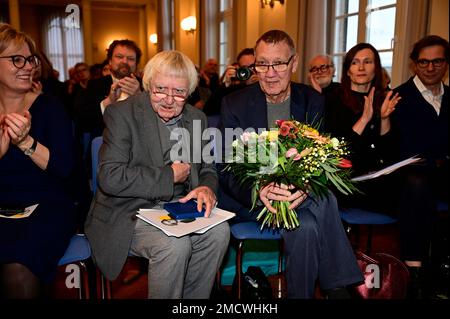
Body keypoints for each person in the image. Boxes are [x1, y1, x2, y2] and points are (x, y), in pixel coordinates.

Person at [218, 29, 363, 299]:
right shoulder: (234, 104)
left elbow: (320, 155)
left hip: (301, 198)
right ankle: (338, 288)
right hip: (257, 201)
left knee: (307, 225)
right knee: (325, 201)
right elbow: (226, 167)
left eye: (279, 63)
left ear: (294, 63)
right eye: (262, 63)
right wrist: (260, 189)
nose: (270, 72)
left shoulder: (312, 100)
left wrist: (306, 186)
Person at [84, 50, 230, 299]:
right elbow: (110, 177)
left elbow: (207, 168)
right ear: (148, 84)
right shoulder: (122, 114)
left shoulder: (197, 117)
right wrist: (168, 176)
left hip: (179, 206)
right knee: (173, 244)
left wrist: (206, 187)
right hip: (129, 210)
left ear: (190, 91)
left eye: (179, 92)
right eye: (161, 89)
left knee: (219, 232)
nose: (169, 100)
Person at [0, 23, 77, 298]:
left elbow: (65, 170)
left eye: (29, 59)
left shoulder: (50, 107)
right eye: (16, 59)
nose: (27, 66)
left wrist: (25, 143)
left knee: (18, 266)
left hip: (45, 206)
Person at [391, 35, 449, 298]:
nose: (430, 67)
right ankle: (414, 272)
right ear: (414, 64)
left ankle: (442, 268)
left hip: (444, 172)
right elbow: (400, 148)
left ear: (445, 64)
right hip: (409, 175)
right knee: (417, 185)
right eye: (423, 62)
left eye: (437, 61)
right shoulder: (399, 98)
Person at [75, 39, 143, 138]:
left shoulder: (146, 85)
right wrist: (109, 101)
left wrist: (139, 97)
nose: (125, 61)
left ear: (136, 64)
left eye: (131, 58)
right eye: (119, 57)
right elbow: (83, 121)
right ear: (110, 61)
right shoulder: (94, 85)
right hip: (103, 143)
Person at [203, 48, 258, 116]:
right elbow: (208, 110)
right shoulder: (236, 89)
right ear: (240, 70)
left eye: (252, 66)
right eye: (245, 68)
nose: (250, 71)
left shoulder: (269, 84)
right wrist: (226, 84)